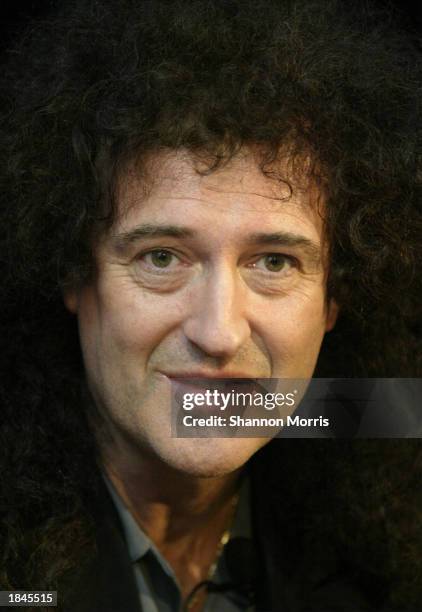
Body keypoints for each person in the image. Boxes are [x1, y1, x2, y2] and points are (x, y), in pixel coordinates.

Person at [0, 0, 421, 610]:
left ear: (334, 299)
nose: (218, 332)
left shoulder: (381, 559)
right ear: (74, 275)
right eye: (162, 258)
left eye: (274, 263)